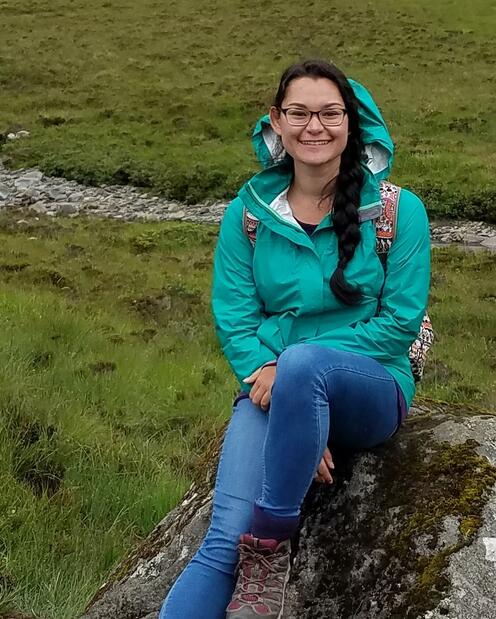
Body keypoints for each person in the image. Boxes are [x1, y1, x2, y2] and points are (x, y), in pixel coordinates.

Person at [160, 59, 431, 619]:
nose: (316, 127)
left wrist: (297, 386)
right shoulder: (248, 216)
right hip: (272, 382)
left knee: (306, 362)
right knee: (222, 538)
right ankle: (246, 551)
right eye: (300, 113)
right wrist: (289, 403)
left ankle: (271, 546)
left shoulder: (400, 213)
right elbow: (235, 316)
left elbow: (400, 323)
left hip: (372, 386)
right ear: (275, 124)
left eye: (331, 113)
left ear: (352, 123)